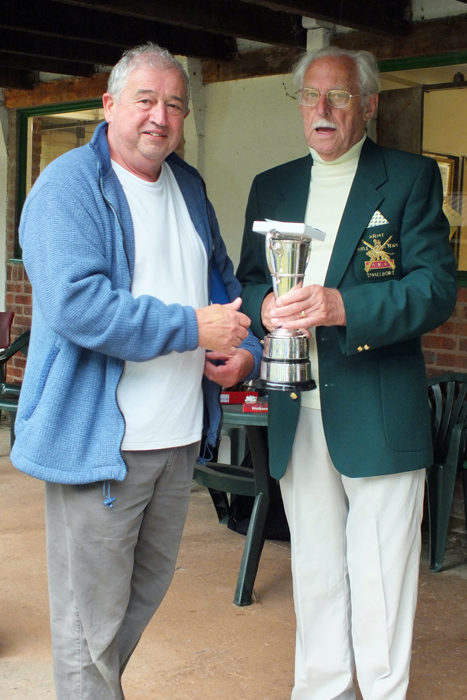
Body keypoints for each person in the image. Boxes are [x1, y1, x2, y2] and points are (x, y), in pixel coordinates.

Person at [12, 43, 262, 700]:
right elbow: (77, 306)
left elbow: (224, 286)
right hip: (103, 447)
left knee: (138, 600)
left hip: (177, 440)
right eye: (146, 100)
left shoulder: (188, 185)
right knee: (86, 623)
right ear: (110, 105)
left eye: (174, 104)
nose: (160, 116)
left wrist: (243, 349)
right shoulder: (68, 184)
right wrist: (190, 326)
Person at [237, 46, 457, 700]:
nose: (322, 109)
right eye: (311, 96)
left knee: (382, 576)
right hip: (295, 410)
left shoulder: (409, 178)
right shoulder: (270, 184)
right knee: (315, 571)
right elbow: (248, 282)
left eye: (337, 97)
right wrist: (264, 307)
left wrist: (343, 307)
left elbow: (434, 290)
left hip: (378, 411)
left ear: (367, 105)